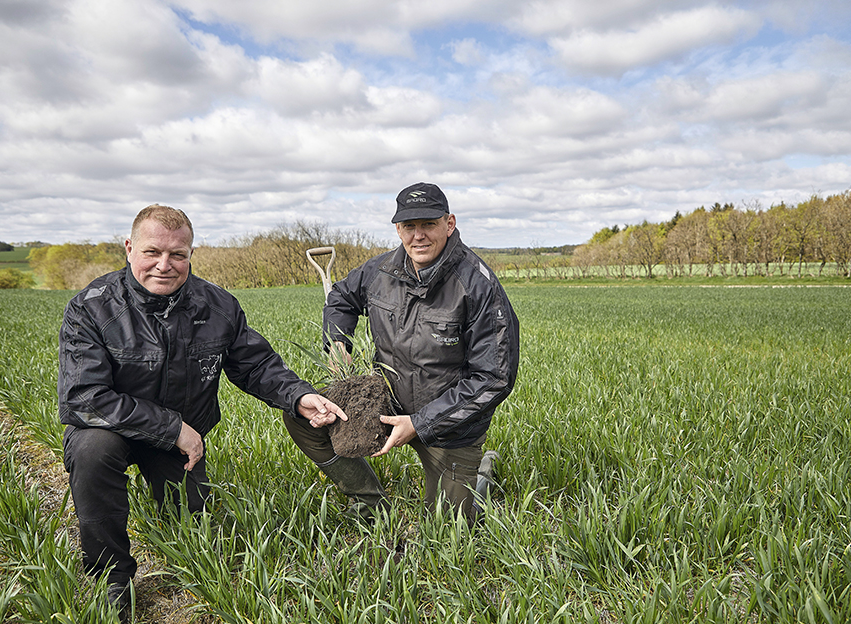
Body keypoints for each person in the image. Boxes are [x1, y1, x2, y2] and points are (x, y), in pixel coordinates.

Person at [58, 204, 347, 615]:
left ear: (191, 253)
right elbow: (84, 397)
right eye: (152, 252)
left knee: (195, 532)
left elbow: (257, 365)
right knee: (92, 451)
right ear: (128, 248)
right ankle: (112, 579)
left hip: (177, 443)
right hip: (112, 430)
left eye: (178, 254)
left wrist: (299, 396)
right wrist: (173, 427)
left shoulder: (217, 306)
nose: (165, 264)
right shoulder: (92, 307)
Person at [282, 182, 520, 526]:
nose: (418, 236)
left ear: (449, 224)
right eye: (409, 226)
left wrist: (419, 423)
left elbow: (494, 378)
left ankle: (479, 473)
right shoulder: (380, 271)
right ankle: (369, 501)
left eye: (428, 224)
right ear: (398, 229)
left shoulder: (478, 286)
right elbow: (341, 298)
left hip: (450, 424)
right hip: (388, 400)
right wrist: (337, 343)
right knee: (303, 414)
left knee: (448, 529)